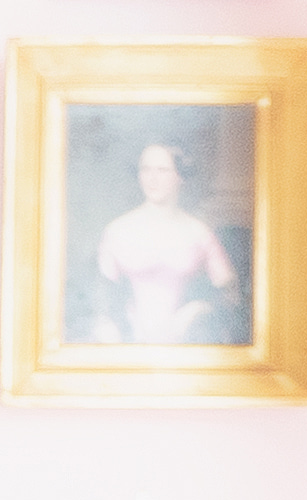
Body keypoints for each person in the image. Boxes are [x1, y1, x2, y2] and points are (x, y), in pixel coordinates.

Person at [92, 137, 245, 347]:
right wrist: (110, 331)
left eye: (162, 170)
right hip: (128, 345)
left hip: (186, 346)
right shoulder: (118, 230)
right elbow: (101, 301)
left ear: (180, 176)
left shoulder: (198, 233)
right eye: (146, 169)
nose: (152, 179)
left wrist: (196, 310)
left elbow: (229, 293)